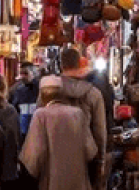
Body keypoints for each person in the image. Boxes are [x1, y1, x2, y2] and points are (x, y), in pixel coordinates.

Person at [21, 76, 100, 190]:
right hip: (78, 183)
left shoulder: (40, 115)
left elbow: (33, 157)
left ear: (42, 95)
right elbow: (91, 152)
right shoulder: (78, 114)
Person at [42, 48, 107, 184]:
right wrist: (100, 160)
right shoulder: (93, 93)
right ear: (79, 64)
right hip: (84, 156)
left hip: (54, 155)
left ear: (61, 65)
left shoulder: (47, 92)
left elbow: (39, 125)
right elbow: (100, 131)